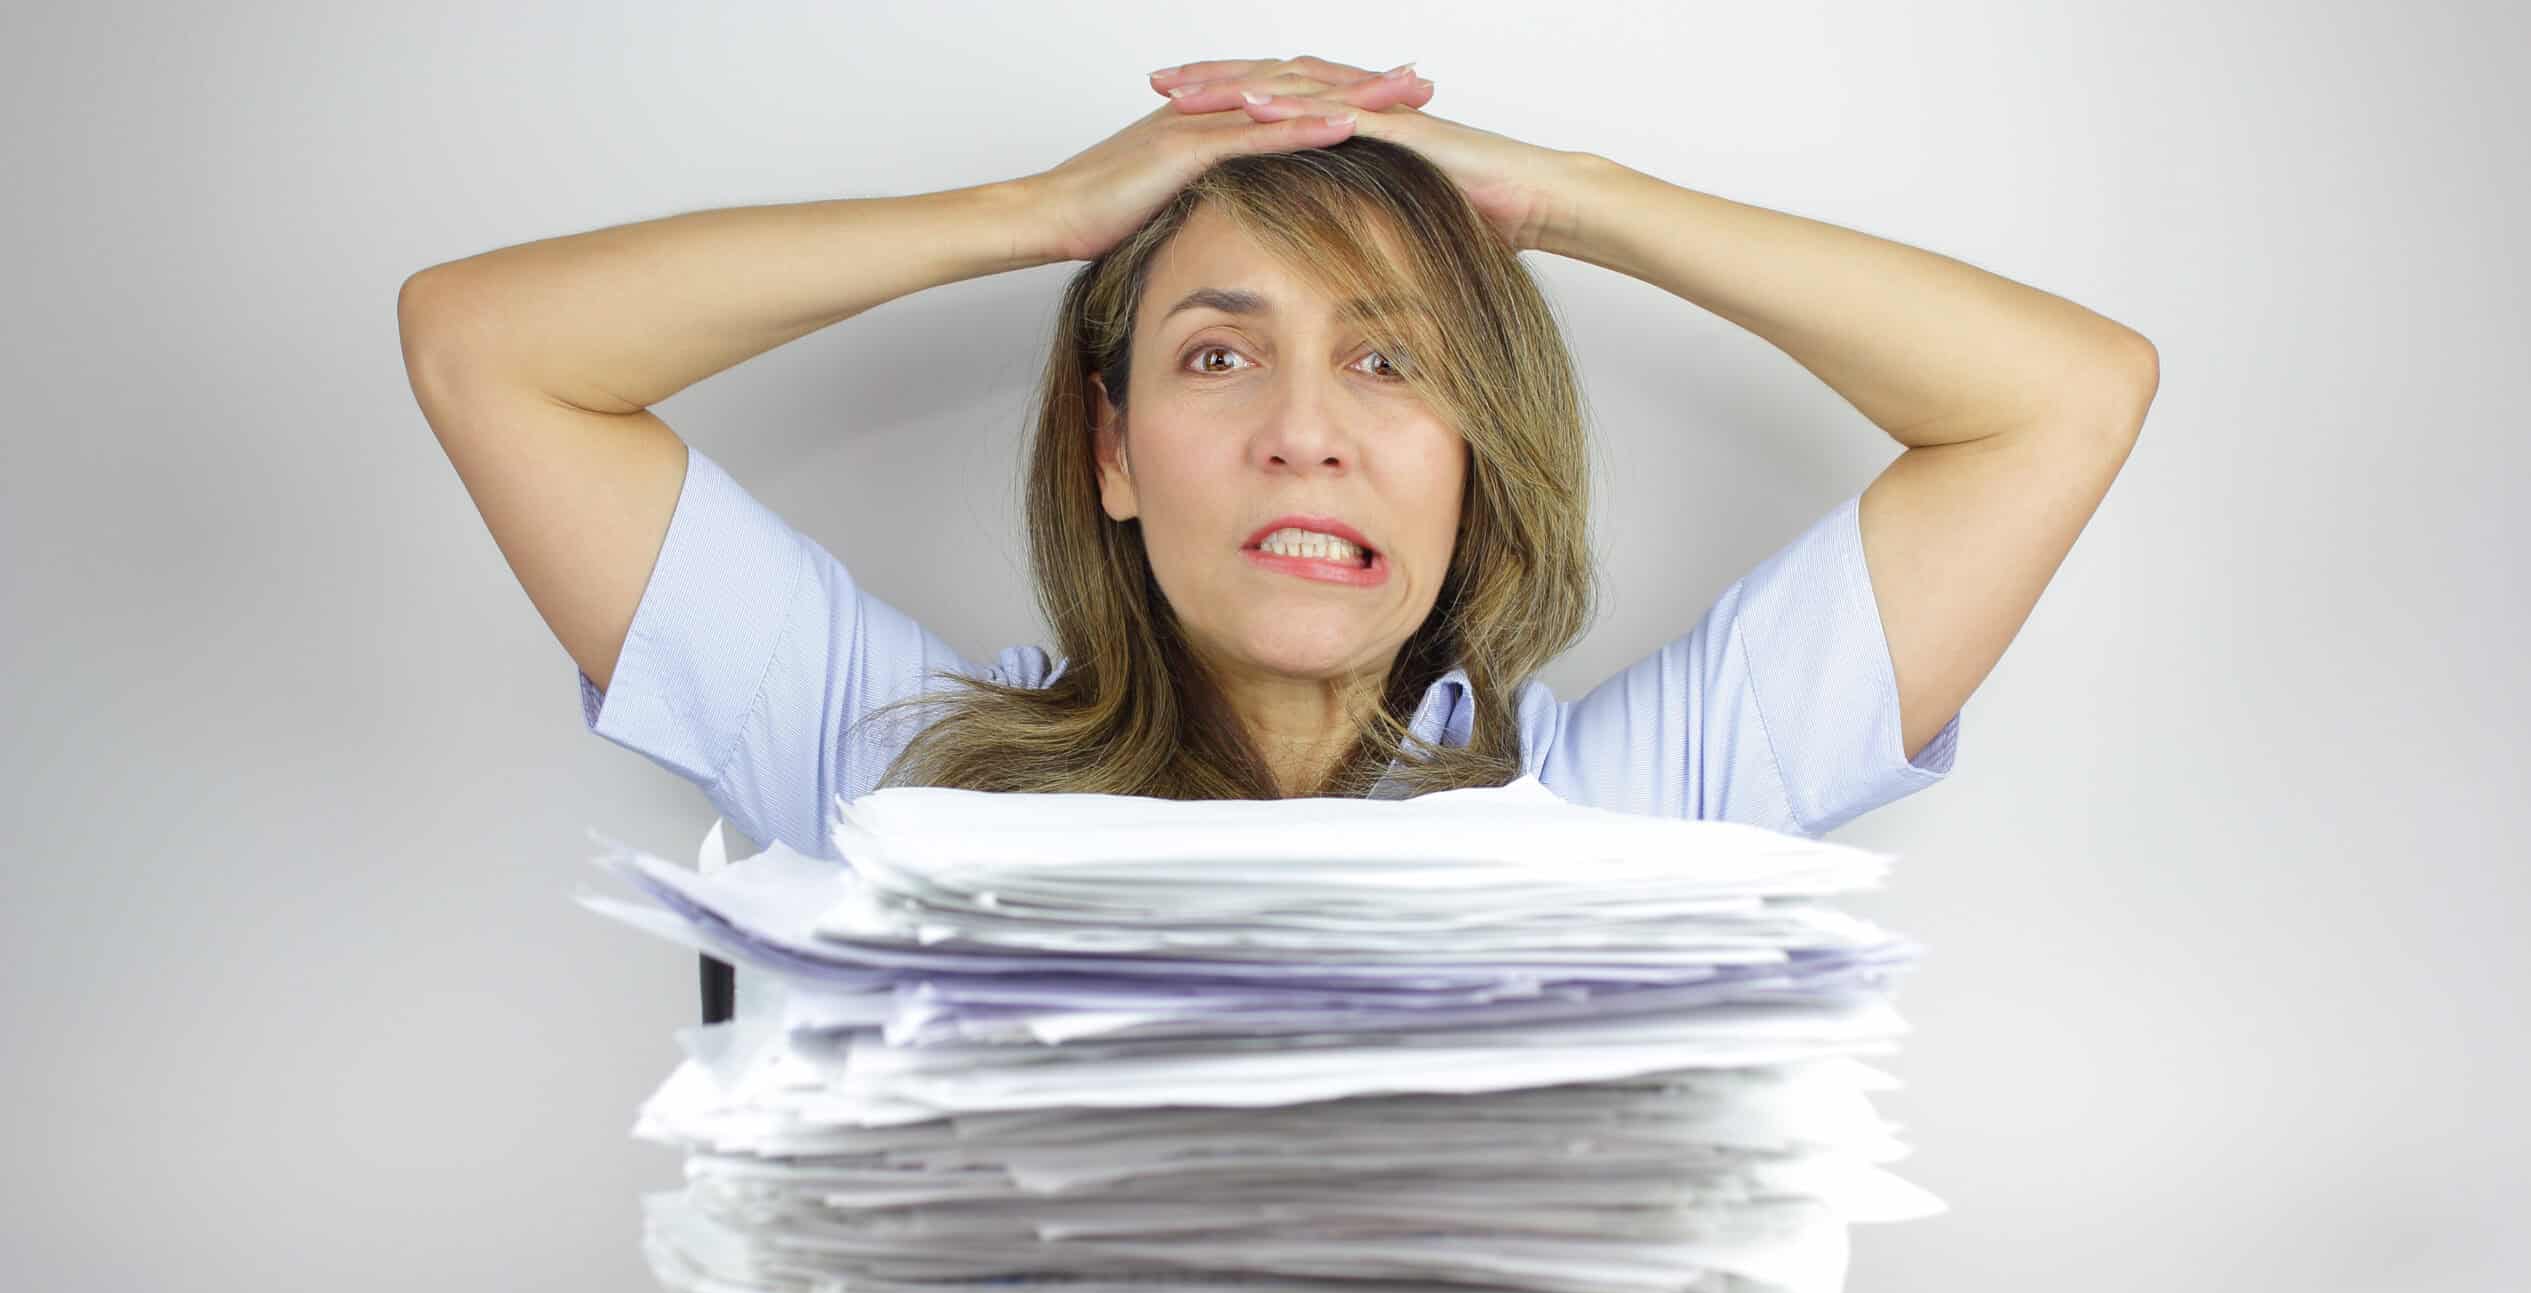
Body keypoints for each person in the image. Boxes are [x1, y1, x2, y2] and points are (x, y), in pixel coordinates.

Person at [399, 55, 2157, 863]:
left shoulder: (1632, 815)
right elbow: (494, 351)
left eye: (1392, 360)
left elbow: (2060, 394)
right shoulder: (895, 775)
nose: (1304, 432)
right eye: (1218, 354)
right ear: (1112, 449)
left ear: (1478, 457)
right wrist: (1031, 217)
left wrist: (1563, 198)